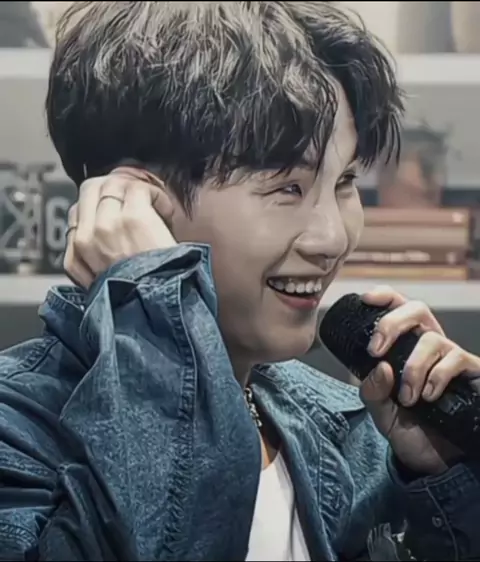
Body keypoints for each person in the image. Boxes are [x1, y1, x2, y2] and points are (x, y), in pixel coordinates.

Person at [1, 2, 480, 560]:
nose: (332, 238)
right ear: (133, 200)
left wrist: (445, 480)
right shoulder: (18, 430)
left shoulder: (351, 428)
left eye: (345, 181)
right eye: (286, 187)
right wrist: (152, 302)